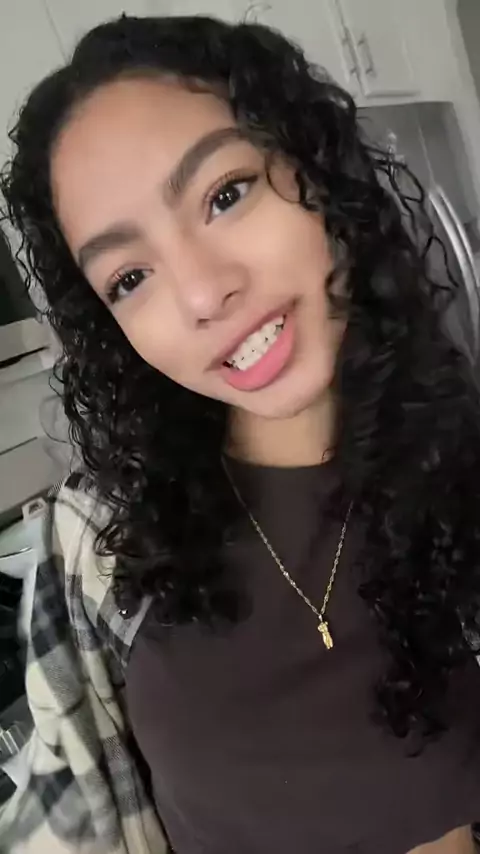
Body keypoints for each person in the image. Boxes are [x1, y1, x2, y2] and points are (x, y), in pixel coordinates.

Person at [1, 12, 480, 854]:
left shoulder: (465, 475)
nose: (201, 293)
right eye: (130, 277)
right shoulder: (97, 542)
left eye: (225, 195)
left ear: (313, 165)